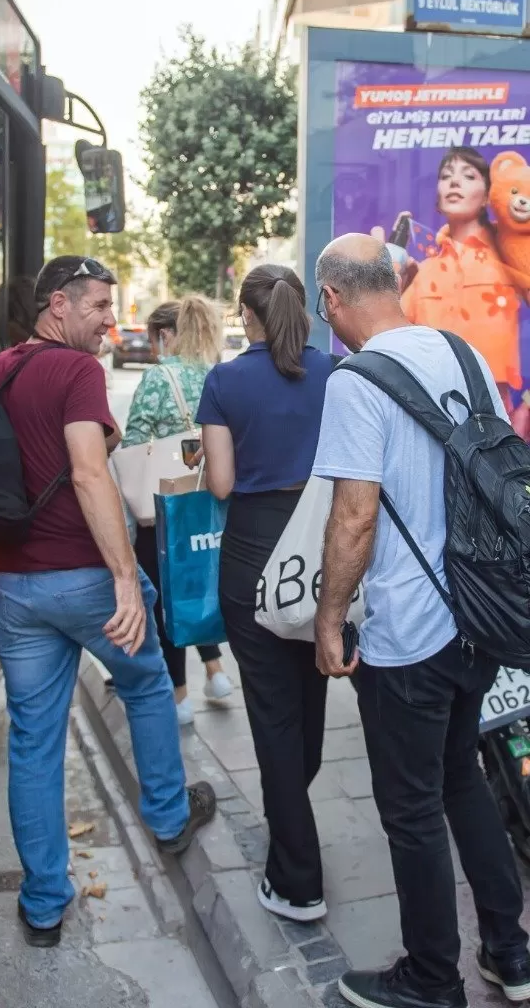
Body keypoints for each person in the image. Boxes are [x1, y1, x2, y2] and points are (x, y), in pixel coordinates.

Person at [312, 233, 530, 1008]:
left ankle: (433, 980)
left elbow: (353, 520)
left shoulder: (355, 383)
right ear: (396, 281)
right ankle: (511, 951)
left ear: (332, 299)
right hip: (479, 616)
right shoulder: (463, 356)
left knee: (410, 811)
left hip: (409, 632)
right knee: (461, 780)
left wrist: (329, 619)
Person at [0, 255, 216, 948]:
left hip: (15, 588)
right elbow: (88, 470)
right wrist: (119, 576)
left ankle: (45, 903)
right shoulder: (77, 372)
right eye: (99, 307)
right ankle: (168, 819)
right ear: (57, 305)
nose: (112, 319)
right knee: (144, 685)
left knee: (33, 739)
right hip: (83, 576)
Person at [196, 265, 333, 924]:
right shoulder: (336, 374)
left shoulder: (225, 381)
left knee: (273, 717)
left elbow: (220, 485)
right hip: (324, 552)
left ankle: (299, 881)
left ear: (246, 316)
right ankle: (293, 830)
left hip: (253, 552)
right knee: (308, 705)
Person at [122, 296, 232, 724]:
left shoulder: (158, 378)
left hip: (164, 502)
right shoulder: (216, 373)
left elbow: (134, 440)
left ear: (166, 335)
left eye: (154, 339)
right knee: (200, 580)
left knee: (165, 596)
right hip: (208, 497)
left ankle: (181, 697)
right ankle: (216, 670)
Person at [393, 148, 523, 409]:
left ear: (488, 195)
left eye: (468, 176)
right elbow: (388, 338)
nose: (454, 182)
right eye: (446, 175)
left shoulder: (512, 254)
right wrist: (389, 267)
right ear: (438, 198)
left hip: (499, 418)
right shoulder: (423, 270)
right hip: (434, 416)